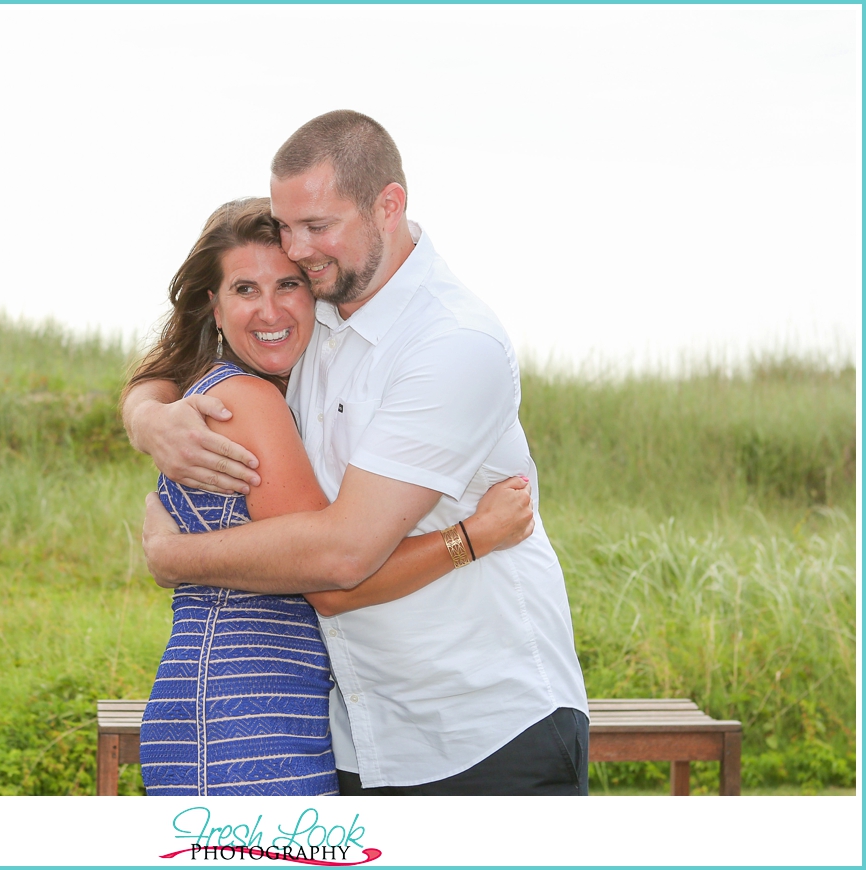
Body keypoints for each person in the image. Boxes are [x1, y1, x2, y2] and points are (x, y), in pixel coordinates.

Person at [127, 111, 589, 796]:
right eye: (288, 229)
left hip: (481, 731)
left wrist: (173, 559)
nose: (300, 252)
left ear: (388, 206)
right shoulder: (325, 313)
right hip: (357, 735)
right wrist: (146, 413)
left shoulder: (450, 343)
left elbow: (340, 561)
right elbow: (198, 350)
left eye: (317, 227)